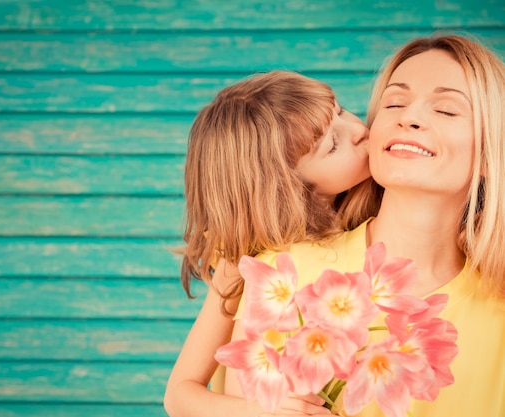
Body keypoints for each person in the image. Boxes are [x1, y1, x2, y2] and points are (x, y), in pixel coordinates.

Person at [225, 34, 505, 417]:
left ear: (492, 153)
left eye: (446, 110)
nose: (408, 117)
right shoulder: (280, 275)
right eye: (394, 102)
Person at [164, 70, 380, 417]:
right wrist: (258, 410)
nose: (359, 130)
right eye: (332, 146)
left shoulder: (381, 215)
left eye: (340, 110)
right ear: (289, 189)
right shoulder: (247, 261)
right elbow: (179, 395)